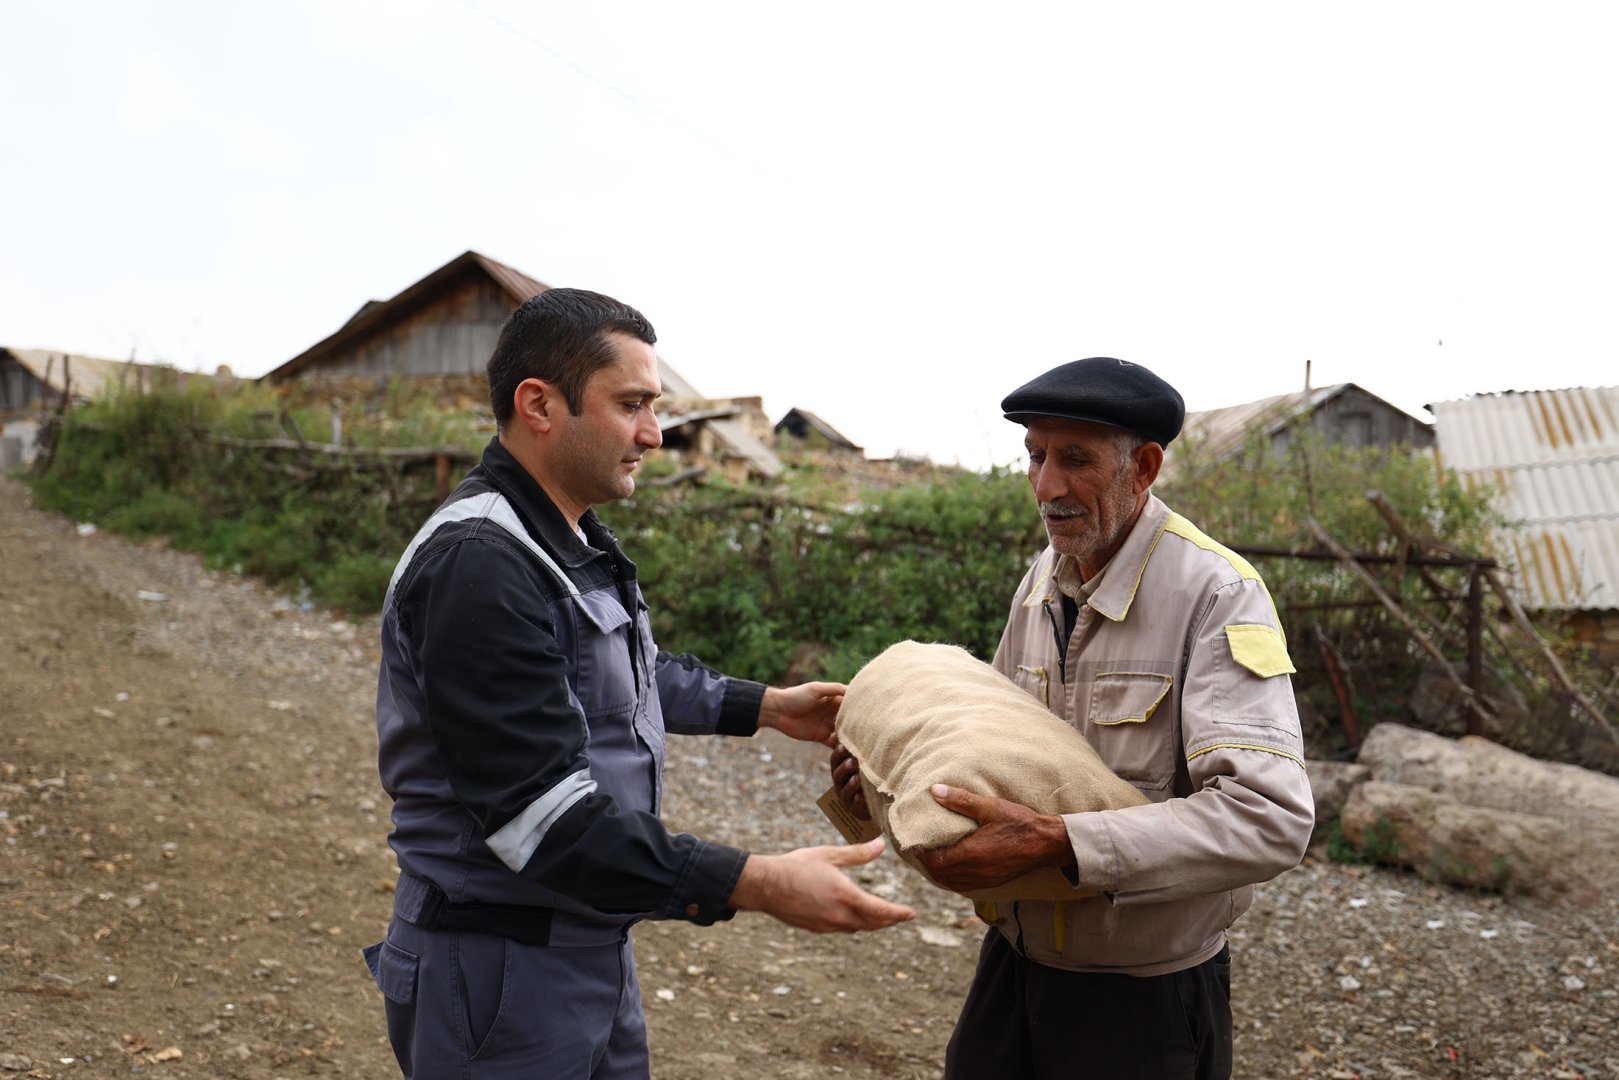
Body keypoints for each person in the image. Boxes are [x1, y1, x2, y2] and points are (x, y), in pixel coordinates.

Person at [366, 287, 914, 1080]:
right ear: (540, 405)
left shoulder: (567, 537)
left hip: (586, 949)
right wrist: (756, 881)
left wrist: (765, 707)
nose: (655, 435)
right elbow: (543, 822)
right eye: (631, 405)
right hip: (496, 965)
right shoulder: (480, 564)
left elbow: (621, 671)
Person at [832, 356, 1314, 1079]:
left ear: (1143, 467)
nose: (1045, 486)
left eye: (1075, 459)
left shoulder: (1217, 595)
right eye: (1034, 456)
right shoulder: (1041, 579)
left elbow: (1269, 819)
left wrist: (1060, 841)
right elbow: (988, 741)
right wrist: (868, 791)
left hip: (1140, 996)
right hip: (1015, 961)